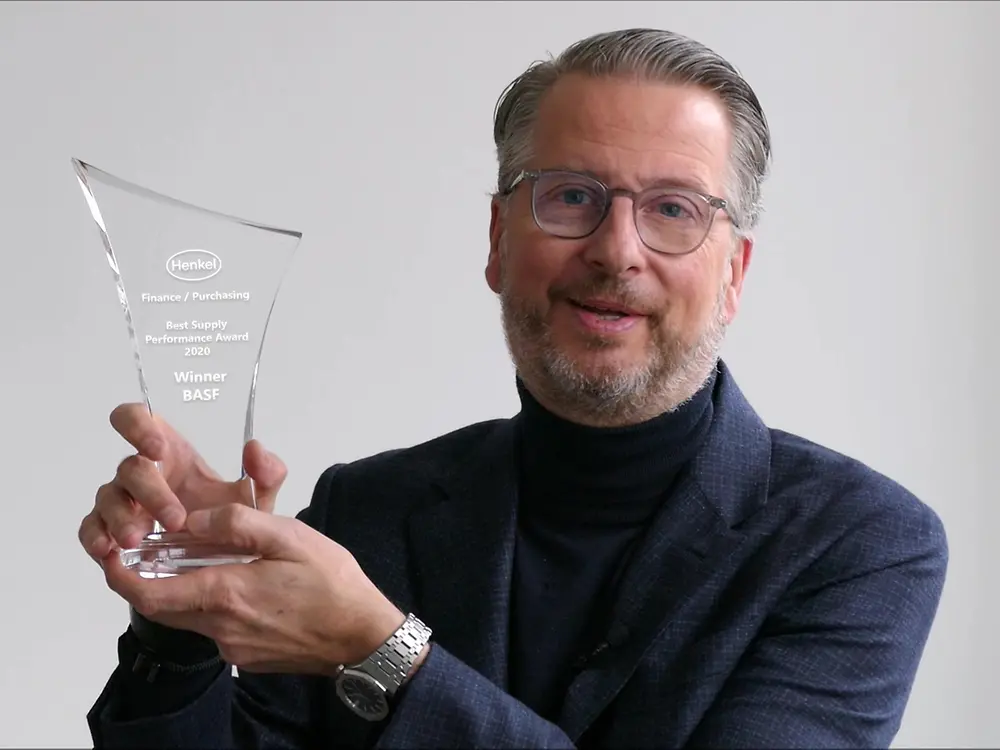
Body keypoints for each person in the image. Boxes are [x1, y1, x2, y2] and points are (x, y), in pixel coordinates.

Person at [79, 27, 948, 749]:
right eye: (571, 197)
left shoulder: (863, 545)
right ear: (498, 241)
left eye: (674, 209)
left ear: (734, 275)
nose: (616, 250)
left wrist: (385, 654)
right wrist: (184, 619)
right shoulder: (367, 513)